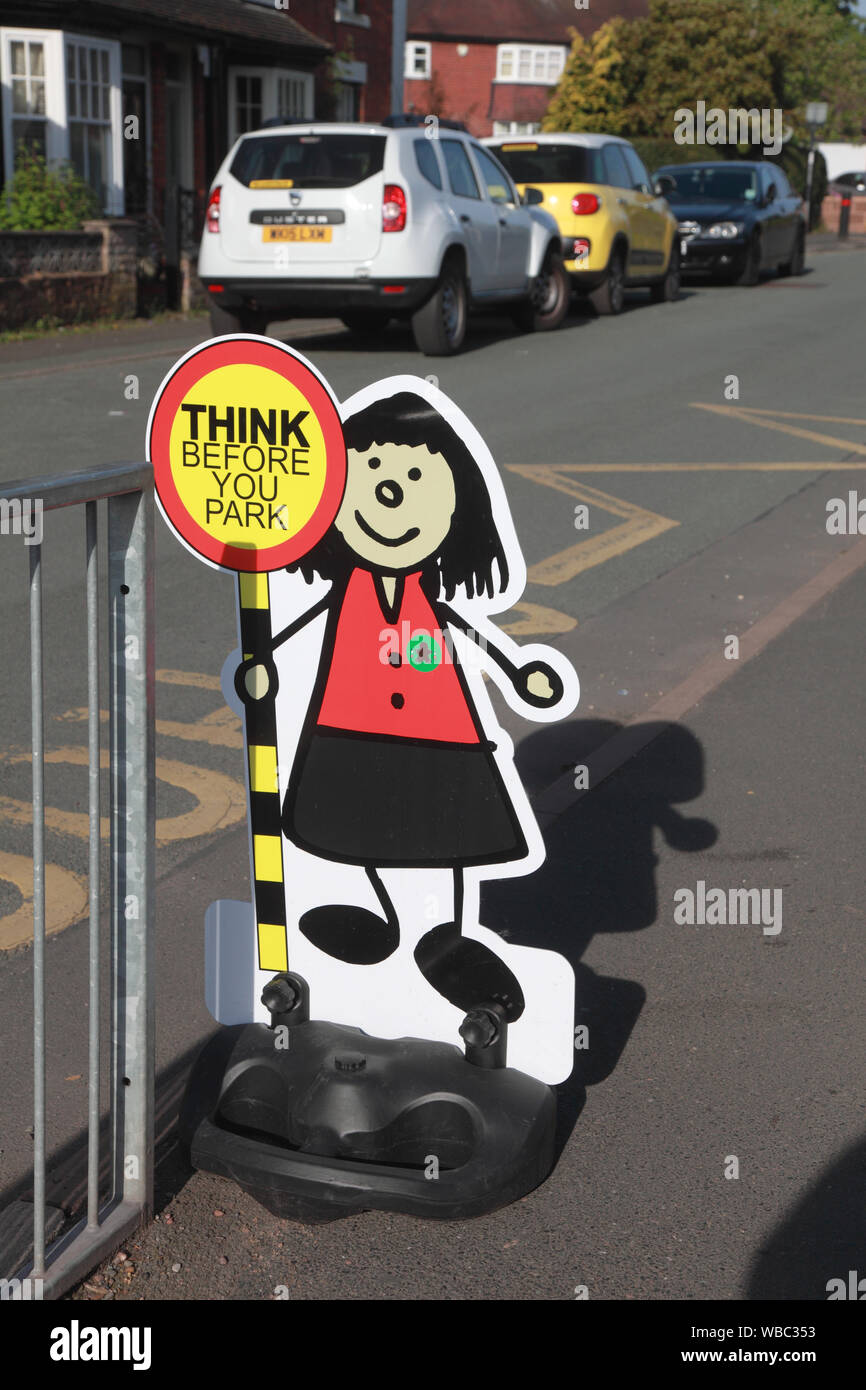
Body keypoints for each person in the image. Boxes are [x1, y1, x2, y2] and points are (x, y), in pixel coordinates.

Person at [237, 387, 575, 1023]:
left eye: (417, 476)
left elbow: (463, 630)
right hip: (349, 728)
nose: (389, 493)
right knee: (357, 820)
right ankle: (381, 919)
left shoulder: (430, 598)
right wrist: (262, 663)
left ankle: (444, 935)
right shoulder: (347, 591)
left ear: (458, 505)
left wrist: (518, 674)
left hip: (439, 732)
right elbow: (299, 626)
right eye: (369, 472)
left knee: (442, 829)